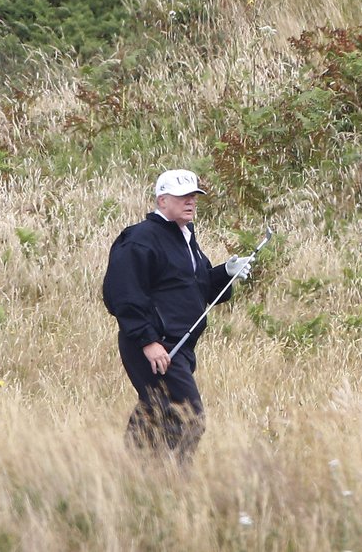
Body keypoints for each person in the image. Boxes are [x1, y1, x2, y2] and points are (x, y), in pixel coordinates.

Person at [102, 169, 252, 459]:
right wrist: (148, 341)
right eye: (183, 197)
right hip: (154, 345)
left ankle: (130, 476)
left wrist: (226, 273)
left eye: (194, 196)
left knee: (154, 410)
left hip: (178, 347)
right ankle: (172, 479)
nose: (191, 202)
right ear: (162, 201)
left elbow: (196, 288)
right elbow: (123, 294)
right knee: (189, 416)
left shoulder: (185, 238)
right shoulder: (140, 239)